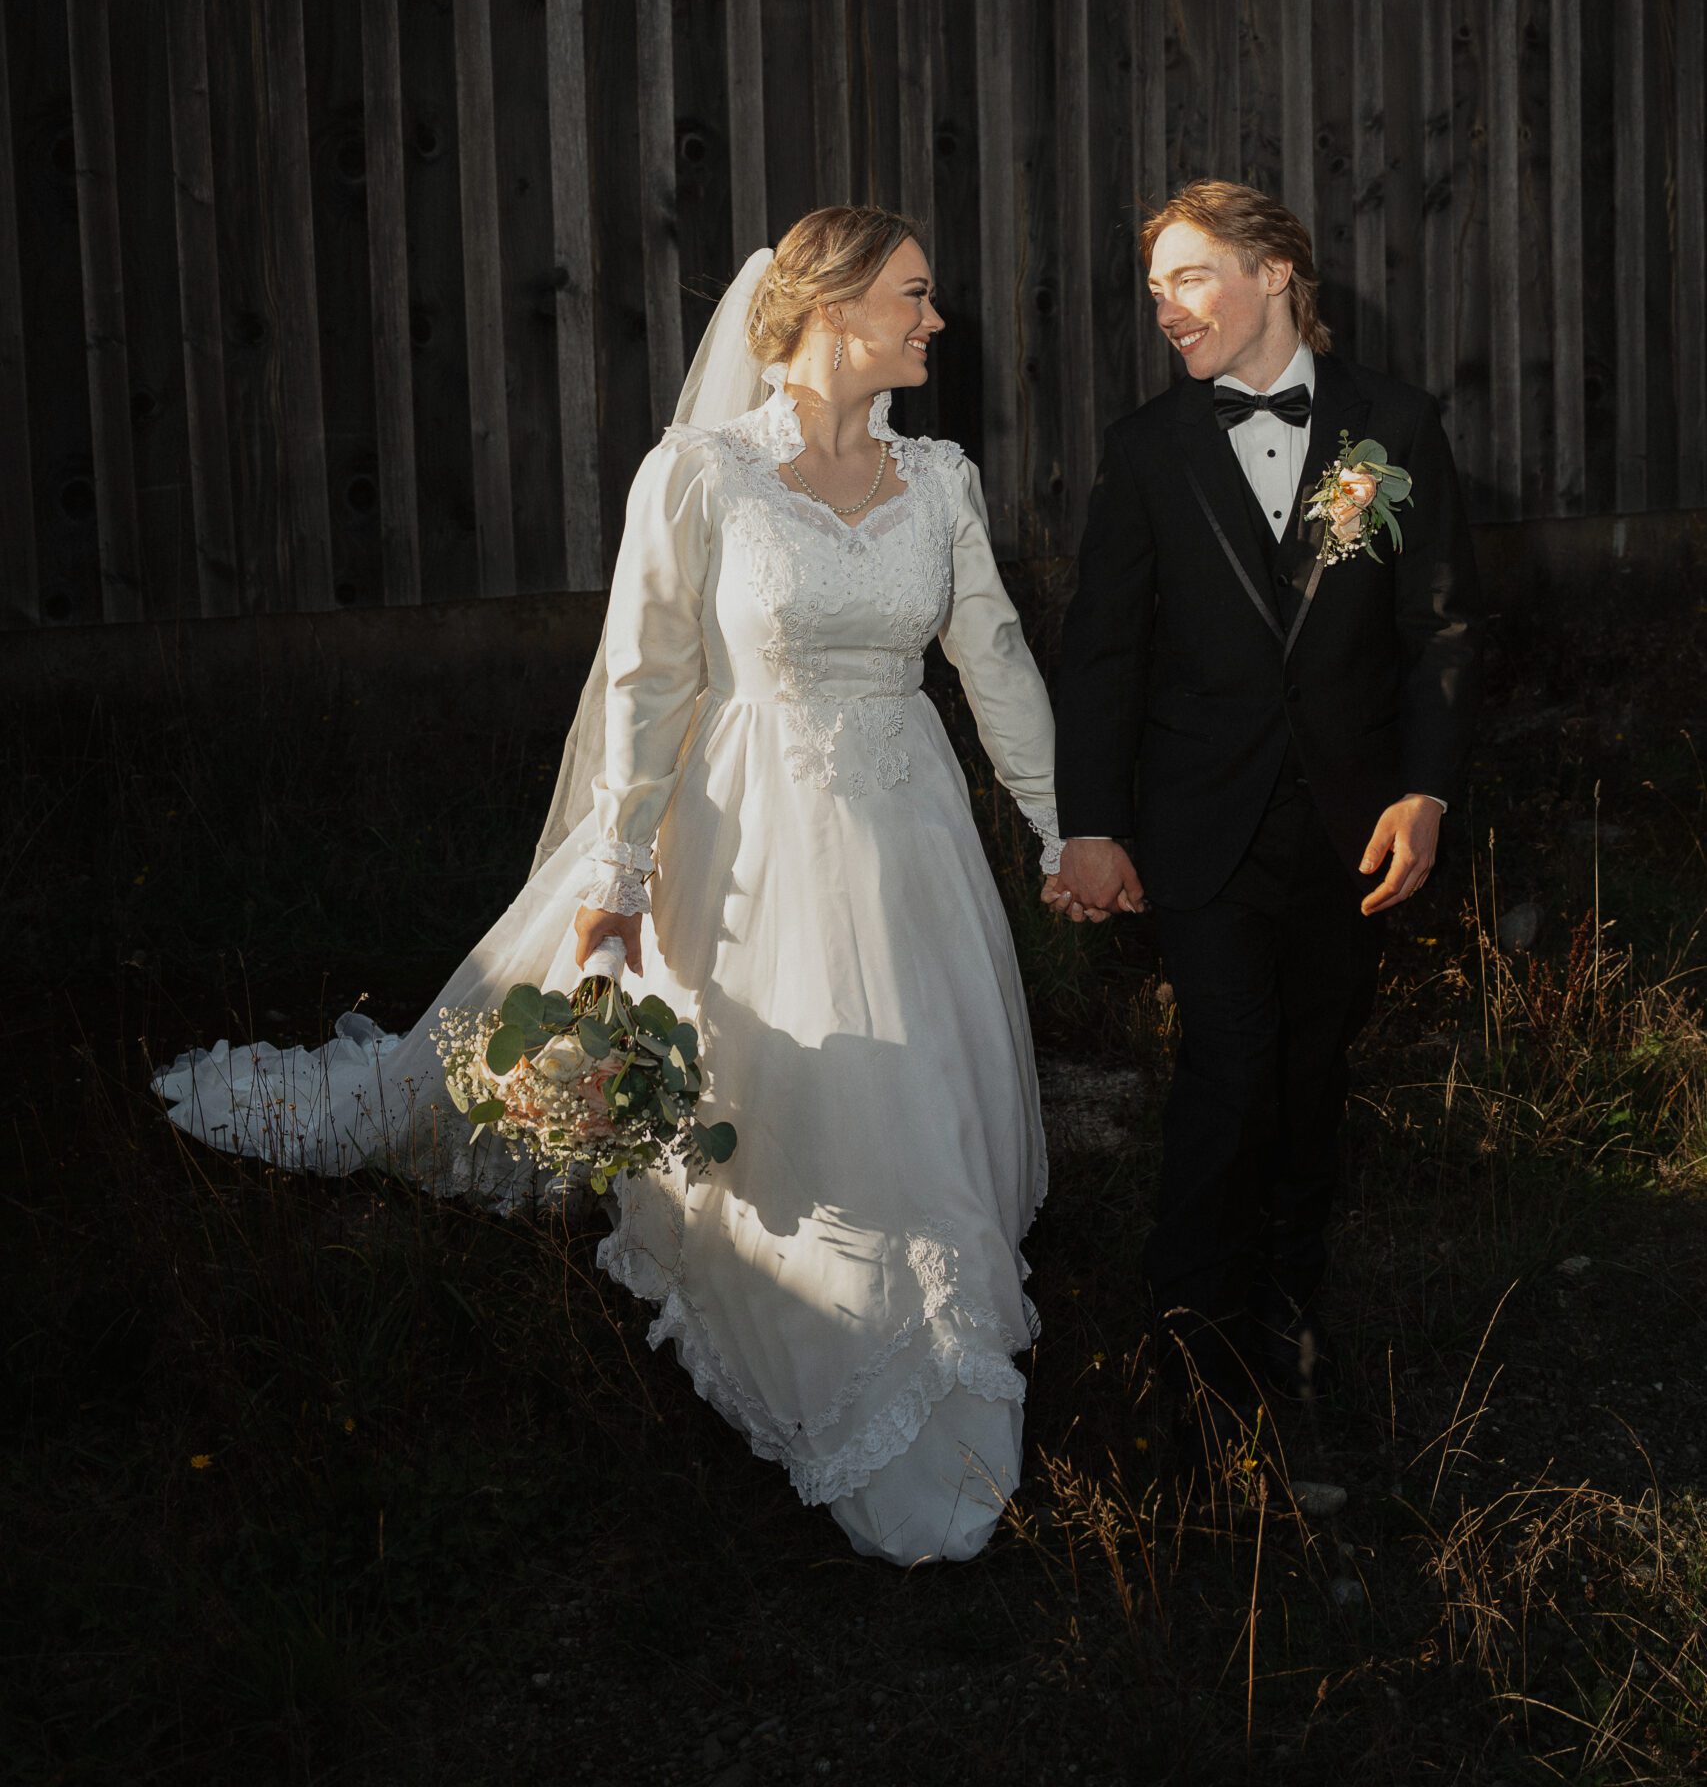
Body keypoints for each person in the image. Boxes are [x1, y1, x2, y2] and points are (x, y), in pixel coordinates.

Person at [157, 207, 1061, 1565]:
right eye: (913, 297)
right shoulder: (699, 475)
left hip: (910, 834)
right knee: (784, 1087)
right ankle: (826, 1331)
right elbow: (646, 682)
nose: (935, 322)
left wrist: (1060, 832)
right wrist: (621, 870)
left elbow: (989, 657)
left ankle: (937, 1334)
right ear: (827, 307)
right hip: (750, 835)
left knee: (926, 1080)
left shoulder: (938, 479)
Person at [1048, 180, 1481, 1466]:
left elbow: (1438, 627)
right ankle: (1188, 1341)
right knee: (1230, 1067)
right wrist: (1091, 824)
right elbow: (1103, 656)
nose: (1165, 309)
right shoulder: (1145, 449)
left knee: (1312, 1073)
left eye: (1189, 278)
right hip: (1200, 830)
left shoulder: (1394, 426)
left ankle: (1291, 1314)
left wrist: (1426, 788)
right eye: (1156, 289)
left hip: (1350, 833)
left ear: (1276, 271)